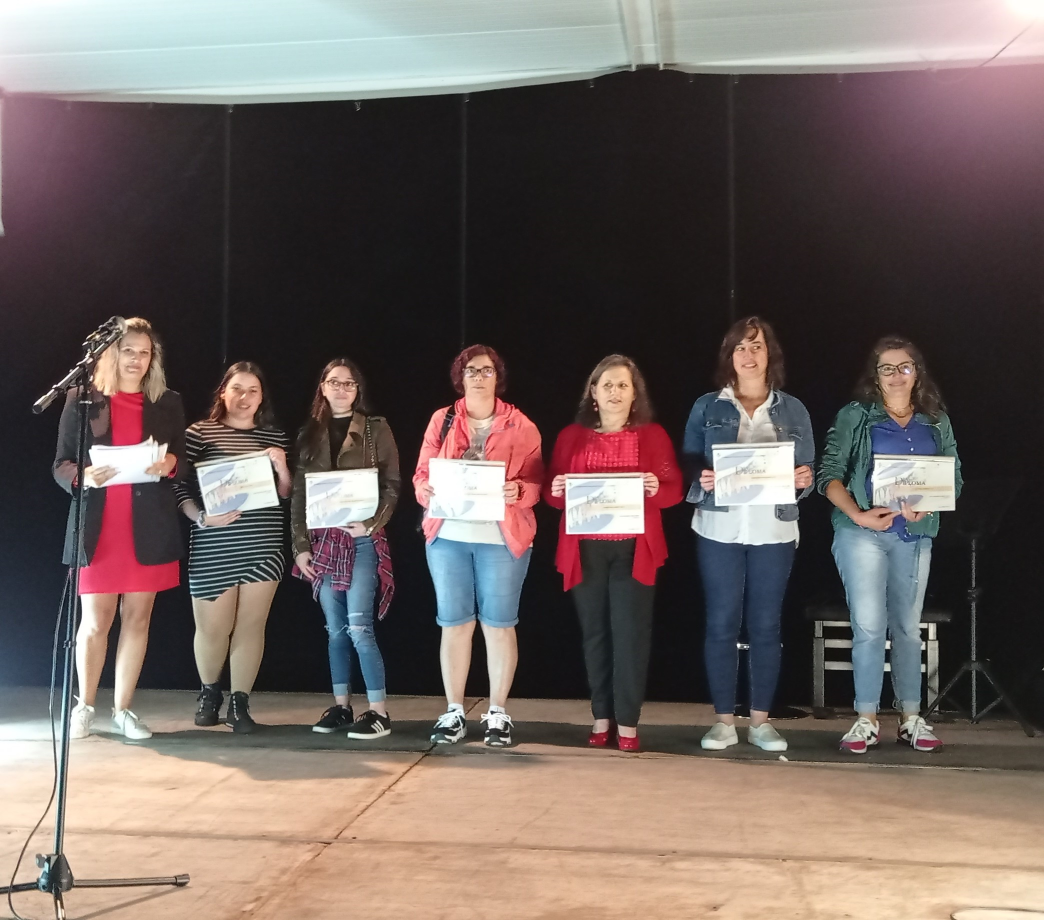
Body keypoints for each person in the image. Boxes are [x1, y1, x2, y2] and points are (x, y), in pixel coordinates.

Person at [817, 336, 961, 754]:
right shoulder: (856, 415)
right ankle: (865, 719)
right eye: (887, 368)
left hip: (912, 536)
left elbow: (953, 477)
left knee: (907, 628)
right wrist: (858, 514)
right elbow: (829, 474)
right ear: (875, 376)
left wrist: (927, 505)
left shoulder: (936, 420)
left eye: (904, 367)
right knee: (868, 626)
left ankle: (911, 718)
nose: (896, 375)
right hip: (861, 532)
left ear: (917, 373)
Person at [682, 317, 815, 753]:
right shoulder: (707, 406)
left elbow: (808, 470)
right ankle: (724, 722)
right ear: (729, 355)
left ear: (769, 353)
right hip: (718, 526)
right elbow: (688, 459)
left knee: (765, 624)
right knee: (721, 622)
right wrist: (699, 477)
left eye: (756, 346)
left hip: (773, 528)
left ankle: (761, 722)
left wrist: (803, 479)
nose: (748, 354)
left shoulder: (793, 409)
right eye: (740, 347)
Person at [53, 317, 185, 740]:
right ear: (111, 352)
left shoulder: (167, 401)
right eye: (128, 350)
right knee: (96, 621)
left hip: (148, 526)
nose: (136, 359)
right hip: (100, 527)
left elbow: (182, 458)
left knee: (138, 620)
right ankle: (85, 706)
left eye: (144, 352)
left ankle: (123, 709)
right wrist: (83, 476)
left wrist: (171, 463)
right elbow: (60, 464)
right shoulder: (82, 399)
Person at [545, 354, 682, 753]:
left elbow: (674, 488)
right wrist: (557, 491)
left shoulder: (653, 435)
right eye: (607, 385)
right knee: (594, 635)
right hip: (585, 549)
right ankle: (601, 716)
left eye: (623, 385)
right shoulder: (571, 436)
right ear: (593, 392)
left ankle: (628, 722)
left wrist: (657, 487)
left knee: (630, 636)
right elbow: (554, 493)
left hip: (634, 549)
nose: (615, 392)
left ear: (635, 393)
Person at [414, 345, 543, 747]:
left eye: (487, 371)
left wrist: (519, 490)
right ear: (461, 377)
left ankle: (498, 713)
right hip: (448, 538)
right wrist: (424, 489)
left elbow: (536, 484)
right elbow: (421, 474)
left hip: (500, 540)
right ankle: (454, 711)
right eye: (472, 370)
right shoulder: (442, 419)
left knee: (499, 625)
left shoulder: (522, 425)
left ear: (498, 377)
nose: (479, 377)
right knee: (454, 625)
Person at [174, 362, 292, 733]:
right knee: (212, 629)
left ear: (262, 397)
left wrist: (282, 467)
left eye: (253, 390)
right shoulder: (198, 433)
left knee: (251, 628)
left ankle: (240, 702)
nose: (244, 397)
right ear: (223, 392)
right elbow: (178, 485)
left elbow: (286, 494)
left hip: (263, 544)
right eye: (237, 388)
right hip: (213, 544)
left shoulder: (274, 436)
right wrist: (200, 517)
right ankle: (209, 694)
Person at [291, 358, 400, 739]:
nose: (341, 389)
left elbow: (392, 484)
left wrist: (370, 524)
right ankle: (341, 707)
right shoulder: (309, 433)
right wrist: (300, 545)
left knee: (359, 627)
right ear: (322, 387)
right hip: (322, 542)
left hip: (362, 539)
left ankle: (379, 712)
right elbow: (300, 495)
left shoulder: (375, 428)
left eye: (348, 383)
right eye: (334, 382)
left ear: (358, 390)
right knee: (335, 631)